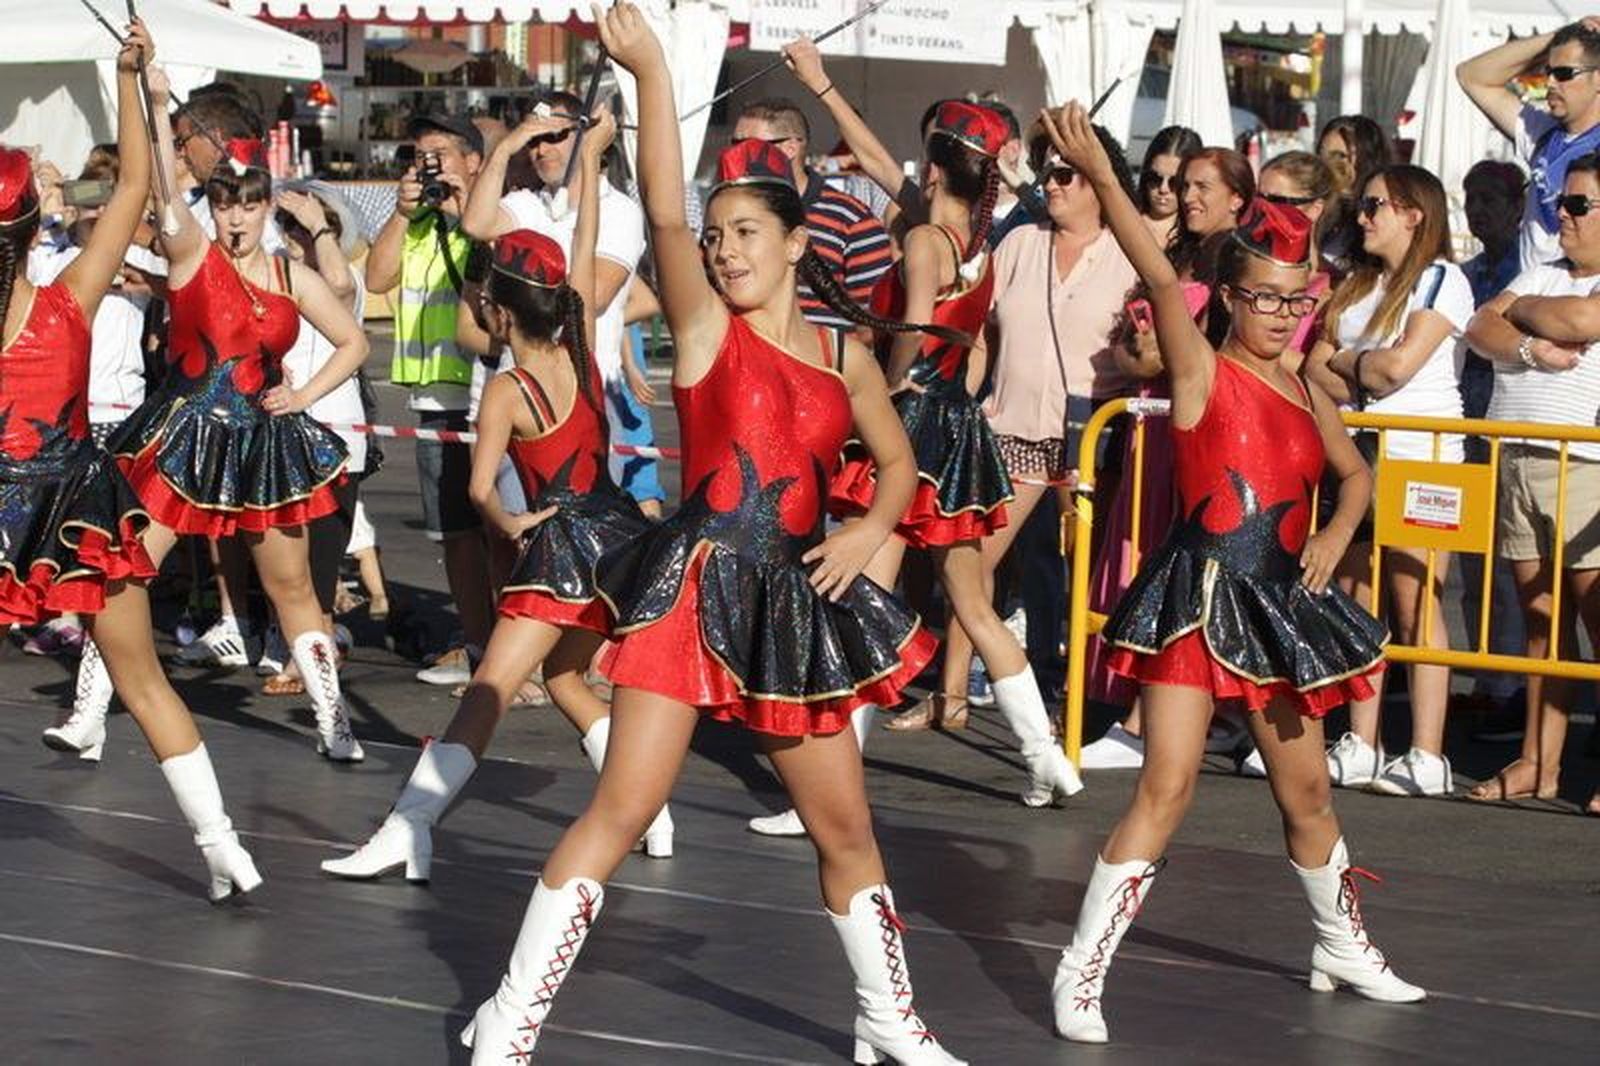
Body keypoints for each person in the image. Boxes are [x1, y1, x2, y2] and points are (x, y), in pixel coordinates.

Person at [460, 8, 961, 1063]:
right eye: (718, 232)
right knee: (619, 808)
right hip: (689, 589)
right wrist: (647, 74)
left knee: (848, 831)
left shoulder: (844, 357)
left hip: (793, 600)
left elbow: (902, 464)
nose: (725, 248)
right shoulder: (700, 331)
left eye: (746, 233)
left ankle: (889, 1020)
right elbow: (659, 207)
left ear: (794, 244)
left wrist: (868, 527)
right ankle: (510, 1018)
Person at [1042, 101, 1423, 1046]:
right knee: (1166, 786)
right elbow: (1156, 272)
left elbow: (1356, 473)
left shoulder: (1304, 384)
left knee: (1309, 794)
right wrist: (1099, 169)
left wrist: (1338, 532)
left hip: (1277, 607)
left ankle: (1340, 943)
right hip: (1194, 598)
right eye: (1265, 299)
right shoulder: (1203, 371)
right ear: (1231, 294)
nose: (1284, 316)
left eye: (1299, 302)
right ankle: (1080, 968)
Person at [322, 110, 676, 882]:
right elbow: (580, 245)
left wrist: (515, 524)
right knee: (567, 680)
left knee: (486, 692)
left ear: (499, 310)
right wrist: (592, 162)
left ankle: (409, 825)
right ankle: (651, 808)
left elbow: (483, 490)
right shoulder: (582, 342)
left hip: (557, 550)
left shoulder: (508, 390)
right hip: (614, 537)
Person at [52, 60, 370, 765]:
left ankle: (334, 722)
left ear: (267, 207)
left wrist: (304, 395)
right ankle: (89, 714)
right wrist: (158, 102)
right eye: (224, 202)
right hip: (185, 439)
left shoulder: (295, 276)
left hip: (263, 442)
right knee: (126, 569)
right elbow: (164, 190)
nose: (235, 216)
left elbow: (354, 341)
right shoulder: (193, 255)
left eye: (249, 204)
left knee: (290, 588)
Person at [9, 23, 260, 901]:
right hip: (77, 505)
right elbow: (140, 188)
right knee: (144, 682)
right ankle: (222, 841)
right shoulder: (72, 294)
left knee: (138, 680)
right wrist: (126, 77)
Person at [801, 84, 1081, 806]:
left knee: (862, 596)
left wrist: (876, 399)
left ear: (931, 169)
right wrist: (821, 84)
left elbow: (913, 339)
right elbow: (869, 155)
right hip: (959, 427)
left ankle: (828, 797)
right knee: (972, 605)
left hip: (914, 425)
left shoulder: (924, 240)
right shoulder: (983, 238)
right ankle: (1045, 756)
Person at [932, 110, 1138, 752]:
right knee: (972, 563)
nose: (1051, 183)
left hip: (1090, 441)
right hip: (1012, 431)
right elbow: (981, 340)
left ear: (1099, 182)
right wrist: (960, 411)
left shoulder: (1129, 255)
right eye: (1047, 171)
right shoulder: (1019, 242)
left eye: (1066, 174)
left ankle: (1074, 707)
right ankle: (953, 695)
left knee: (1085, 580)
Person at [1079, 147, 1257, 771]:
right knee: (1142, 559)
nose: (1187, 197)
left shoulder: (1239, 260)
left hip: (1197, 425)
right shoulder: (1177, 255)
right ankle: (1142, 704)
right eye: (1183, 186)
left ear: (1239, 196)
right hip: (1149, 425)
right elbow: (1132, 354)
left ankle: (1167, 716)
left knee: (1184, 567)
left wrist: (1153, 354)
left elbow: (1194, 354)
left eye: (1202, 186)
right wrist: (1141, 354)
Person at [1304, 165, 1469, 798]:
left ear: (1413, 213)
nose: (1363, 217)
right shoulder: (1355, 284)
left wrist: (1354, 364)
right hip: (1358, 452)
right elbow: (1317, 364)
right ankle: (1363, 741)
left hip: (1424, 453)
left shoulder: (1443, 280)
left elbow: (1395, 370)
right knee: (1356, 596)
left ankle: (1428, 752)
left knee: (1417, 597)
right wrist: (1358, 365)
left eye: (1375, 206)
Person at [1463, 153, 1600, 816]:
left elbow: (1583, 325)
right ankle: (1538, 763)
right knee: (1542, 626)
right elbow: (1481, 326)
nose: (1562, 217)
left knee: (1595, 626)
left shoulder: (1542, 281)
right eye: (1562, 204)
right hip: (1516, 455)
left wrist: (1526, 310)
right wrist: (1527, 340)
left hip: (1584, 466)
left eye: (1578, 206)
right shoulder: (1546, 270)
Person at [462, 89, 649, 517]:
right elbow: (475, 223)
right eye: (533, 140)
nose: (541, 148)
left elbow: (591, 295)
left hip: (580, 388)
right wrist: (508, 144)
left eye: (555, 136)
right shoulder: (525, 203)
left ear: (584, 136)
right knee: (508, 544)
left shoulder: (619, 210)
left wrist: (589, 158)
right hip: (518, 390)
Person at [366, 112, 494, 689]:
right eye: (419, 155)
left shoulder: (492, 213)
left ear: (474, 160)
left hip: (491, 389)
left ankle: (518, 649)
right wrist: (403, 212)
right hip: (434, 396)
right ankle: (474, 642)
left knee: (504, 528)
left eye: (440, 152)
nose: (428, 164)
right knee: (456, 533)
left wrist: (464, 209)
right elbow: (376, 278)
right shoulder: (415, 223)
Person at [259, 181, 368, 697]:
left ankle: (315, 659)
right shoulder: (277, 276)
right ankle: (305, 646)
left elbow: (341, 286)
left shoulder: (343, 278)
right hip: (282, 433)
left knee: (321, 560)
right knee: (287, 560)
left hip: (335, 434)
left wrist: (320, 225)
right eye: (290, 225)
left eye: (307, 226)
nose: (296, 234)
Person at [1457, 160, 1530, 726]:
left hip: (1506, 423)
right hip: (1464, 425)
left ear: (1516, 205)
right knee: (1474, 562)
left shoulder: (1525, 272)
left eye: (1488, 199)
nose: (1477, 209)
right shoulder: (1465, 271)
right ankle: (1486, 675)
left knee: (1509, 565)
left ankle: (1509, 686)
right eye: (1470, 198)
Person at [733, 98, 893, 334]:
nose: (735, 154)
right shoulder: (728, 214)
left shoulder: (852, 220)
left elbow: (872, 324)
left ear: (790, 148)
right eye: (733, 144)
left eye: (748, 146)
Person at [1459, 18, 1600, 271]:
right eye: (1549, 72)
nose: (1551, 83)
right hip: (1529, 293)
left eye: (1564, 73)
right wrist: (1557, 37)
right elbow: (1471, 76)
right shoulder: (1542, 132)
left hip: (1581, 298)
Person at [1317, 115, 1394, 276]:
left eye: (1340, 156)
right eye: (1322, 155)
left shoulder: (1380, 220)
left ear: (1367, 160)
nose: (1327, 165)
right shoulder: (1326, 215)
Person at [1137, 125, 1202, 248]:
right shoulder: (1122, 219)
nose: (1163, 189)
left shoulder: (1199, 238)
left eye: (1175, 182)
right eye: (1155, 178)